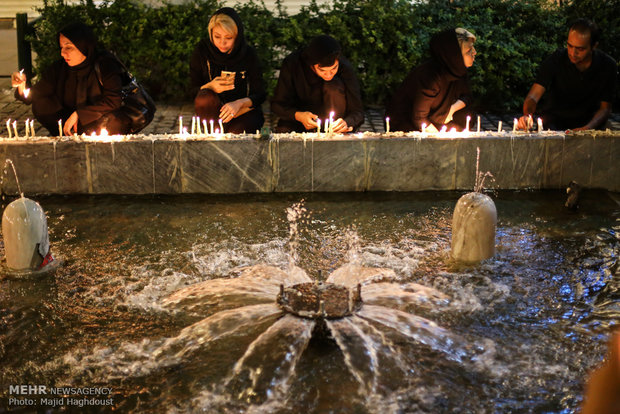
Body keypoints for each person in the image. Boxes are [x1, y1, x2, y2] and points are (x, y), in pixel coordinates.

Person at [12, 22, 133, 136]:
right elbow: (34, 95)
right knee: (41, 104)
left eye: (68, 48)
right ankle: (66, 135)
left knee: (115, 121)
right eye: (61, 47)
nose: (63, 53)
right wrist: (21, 85)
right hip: (69, 122)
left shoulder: (105, 64)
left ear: (83, 46)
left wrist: (80, 114)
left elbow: (113, 101)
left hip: (98, 119)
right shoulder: (59, 68)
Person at [517, 18, 617, 131]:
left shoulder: (607, 65)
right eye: (570, 46)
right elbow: (533, 96)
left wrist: (587, 128)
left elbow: (605, 108)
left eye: (580, 49)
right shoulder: (556, 60)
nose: (573, 53)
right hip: (554, 122)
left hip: (589, 122)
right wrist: (528, 115)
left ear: (593, 46)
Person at [190, 7, 266, 134]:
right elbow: (192, 90)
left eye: (228, 38)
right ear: (211, 33)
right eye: (217, 36)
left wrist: (239, 103)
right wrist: (210, 86)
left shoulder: (248, 54)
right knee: (204, 97)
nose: (222, 43)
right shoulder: (202, 51)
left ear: (237, 36)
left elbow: (260, 94)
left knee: (235, 139)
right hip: (213, 112)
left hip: (243, 112)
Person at [386, 28, 477, 133]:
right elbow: (419, 118)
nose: (475, 52)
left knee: (467, 116)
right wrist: (439, 140)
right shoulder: (431, 77)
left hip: (436, 116)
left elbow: (467, 96)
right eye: (469, 50)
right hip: (408, 121)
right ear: (454, 55)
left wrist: (451, 110)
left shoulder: (457, 69)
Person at [271, 35, 364, 133]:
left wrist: (347, 122)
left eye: (334, 68)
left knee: (332, 85)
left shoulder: (345, 68)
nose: (328, 74)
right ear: (312, 66)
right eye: (322, 70)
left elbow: (358, 112)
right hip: (298, 123)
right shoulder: (293, 64)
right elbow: (277, 105)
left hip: (333, 128)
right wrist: (298, 115)